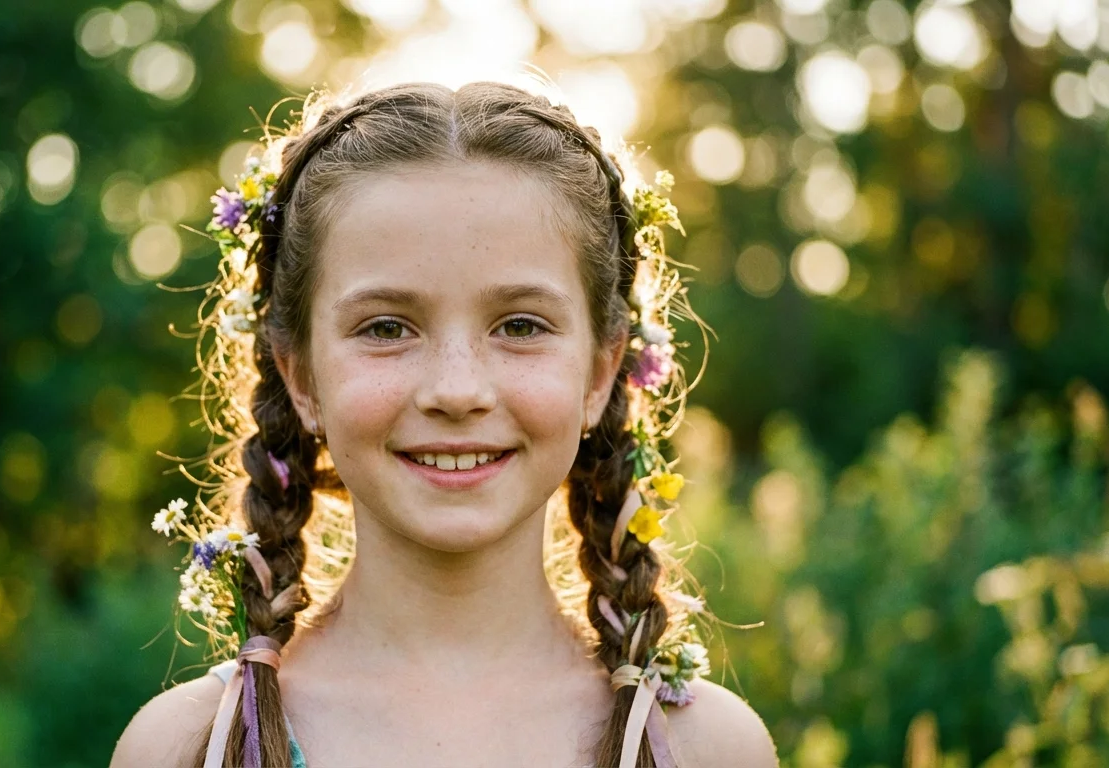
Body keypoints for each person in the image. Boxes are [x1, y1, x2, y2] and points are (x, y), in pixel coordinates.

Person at [112, 80, 777, 768]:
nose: (456, 391)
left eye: (520, 325)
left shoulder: (703, 748)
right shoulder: (192, 747)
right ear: (300, 375)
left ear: (601, 372)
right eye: (387, 327)